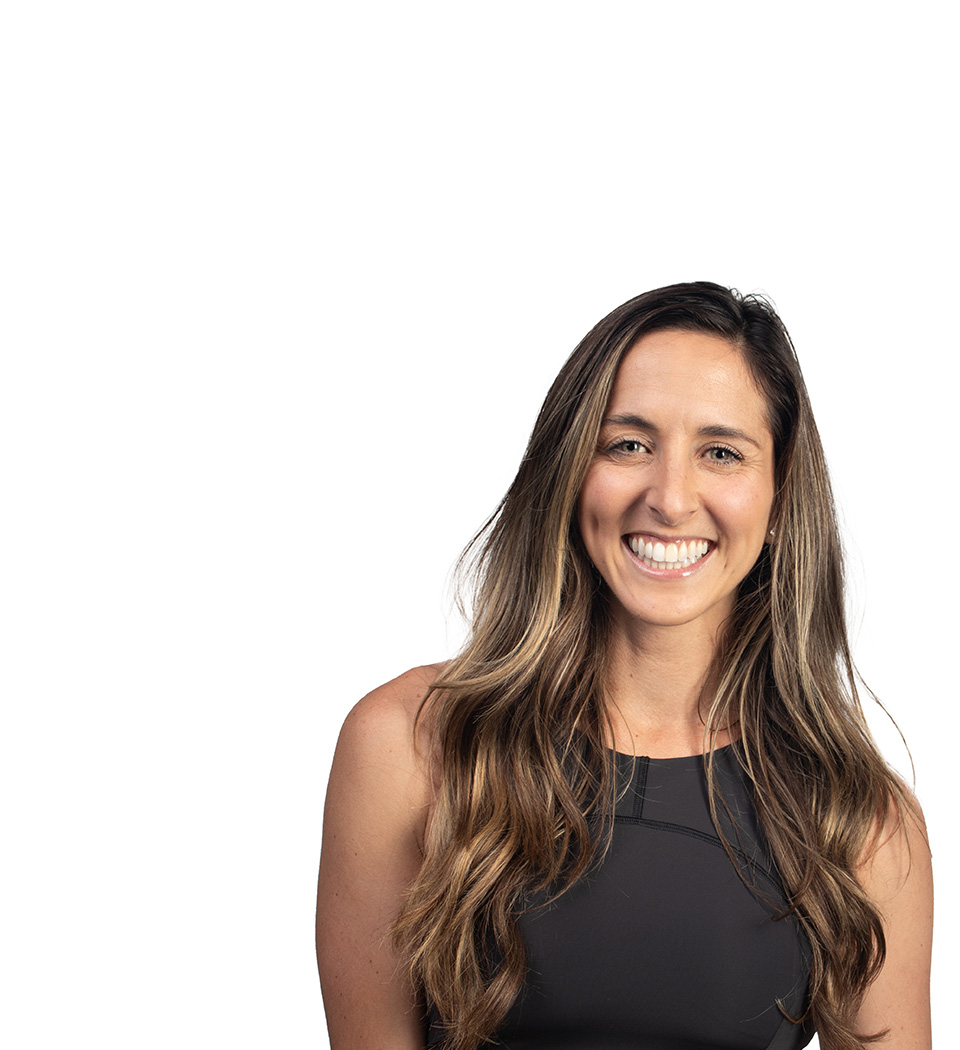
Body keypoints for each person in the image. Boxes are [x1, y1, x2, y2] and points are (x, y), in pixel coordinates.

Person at [315, 283, 933, 1050]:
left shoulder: (860, 819)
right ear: (570, 471)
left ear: (778, 498)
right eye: (628, 444)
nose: (671, 499)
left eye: (721, 453)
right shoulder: (410, 745)